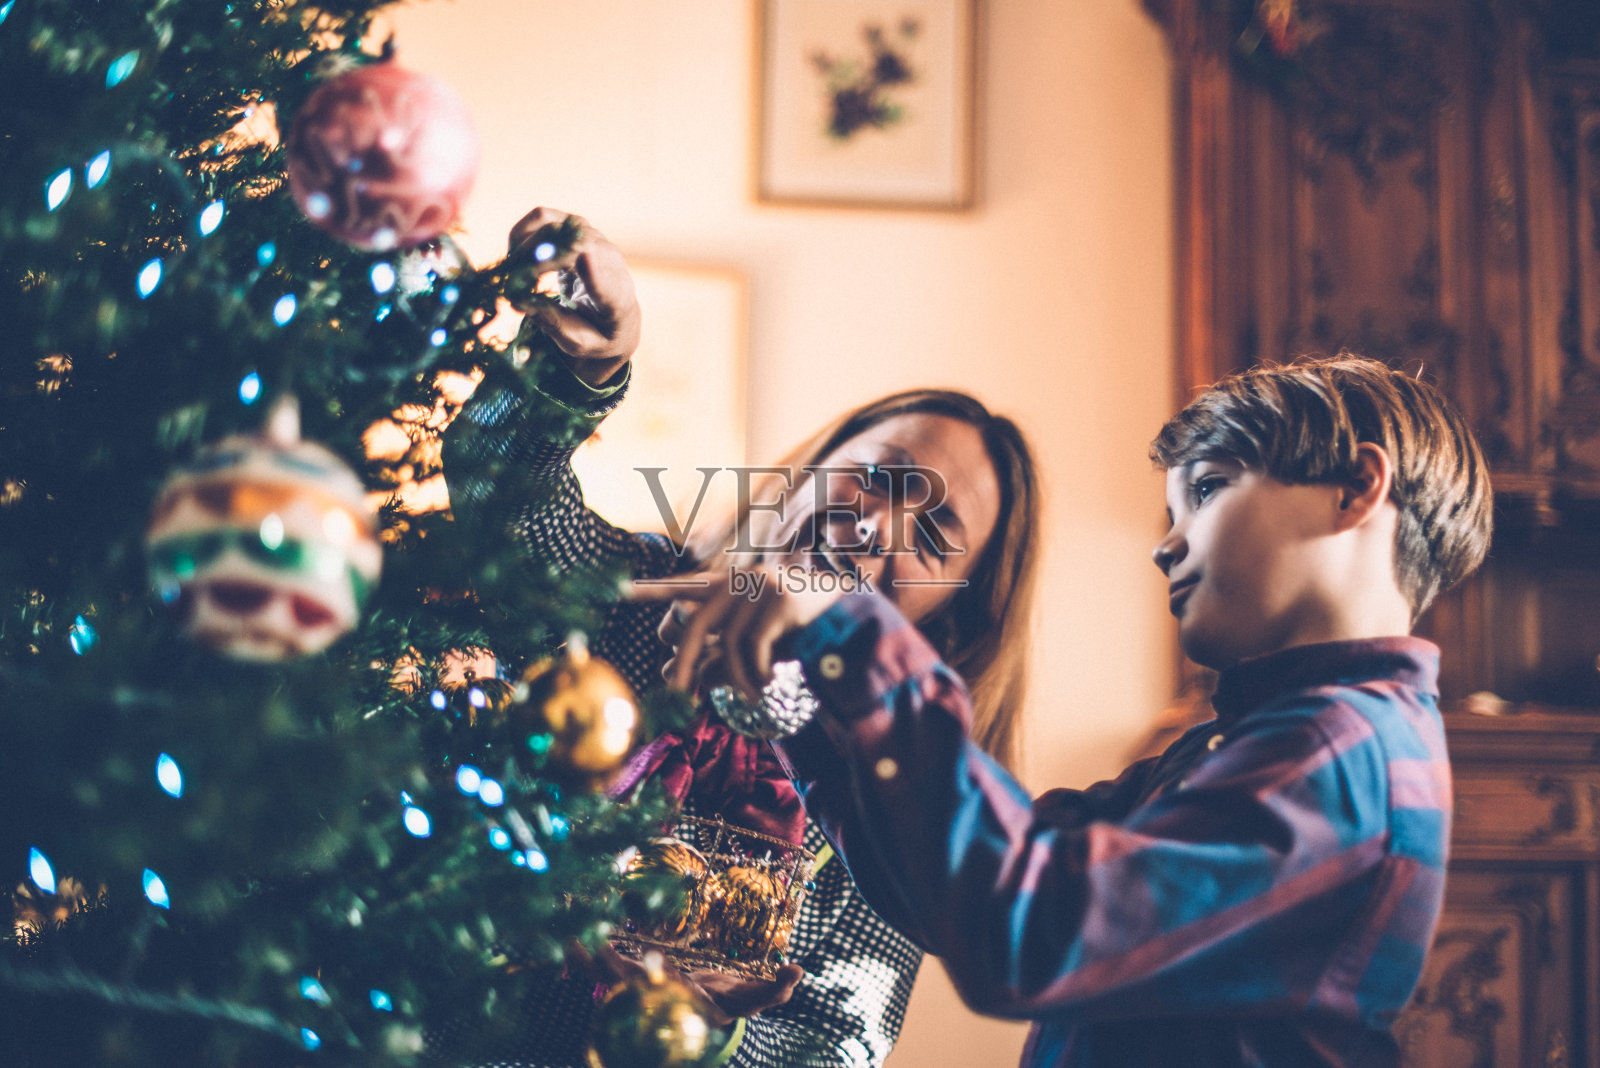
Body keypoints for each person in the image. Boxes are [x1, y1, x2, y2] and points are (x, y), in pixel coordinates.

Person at [645, 354, 1493, 1066]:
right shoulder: (1249, 744)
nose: (1165, 544)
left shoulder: (1340, 755)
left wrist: (849, 631)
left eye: (1207, 489)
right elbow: (977, 875)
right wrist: (804, 711)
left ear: (1356, 489)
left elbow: (1030, 927)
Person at [434, 208, 1042, 1068]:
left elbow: (832, 1048)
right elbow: (504, 495)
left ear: (950, 611)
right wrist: (588, 362)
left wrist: (708, 1035)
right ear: (809, 471)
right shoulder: (632, 597)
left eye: (934, 535)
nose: (877, 528)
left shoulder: (893, 798)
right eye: (876, 478)